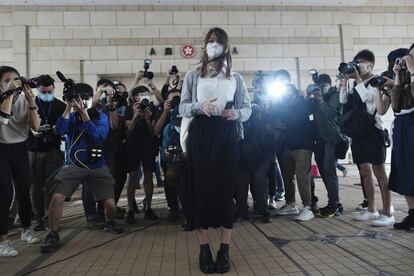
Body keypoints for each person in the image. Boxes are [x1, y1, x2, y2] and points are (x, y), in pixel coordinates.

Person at [179, 27, 251, 274]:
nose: (213, 45)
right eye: (210, 41)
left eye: (218, 42)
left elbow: (247, 109)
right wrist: (200, 106)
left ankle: (224, 248)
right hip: (201, 134)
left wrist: (236, 113)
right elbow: (183, 108)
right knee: (201, 189)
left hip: (227, 133)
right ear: (204, 45)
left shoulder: (236, 77)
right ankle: (203, 248)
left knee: (224, 189)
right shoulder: (193, 75)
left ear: (225, 46)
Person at [41, 83, 123, 253]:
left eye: (84, 99)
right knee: (57, 198)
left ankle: (110, 222)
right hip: (74, 164)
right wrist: (68, 108)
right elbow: (60, 130)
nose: (81, 102)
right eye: (78, 99)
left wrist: (85, 115)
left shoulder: (100, 117)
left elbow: (97, 137)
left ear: (91, 98)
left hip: (96, 165)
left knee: (110, 204)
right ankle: (53, 234)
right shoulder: (71, 117)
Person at [339, 49, 393, 226]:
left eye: (360, 63)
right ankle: (371, 209)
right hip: (358, 133)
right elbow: (342, 101)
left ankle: (387, 212)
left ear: (370, 64)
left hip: (374, 132)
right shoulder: (356, 84)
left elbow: (370, 103)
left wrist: (359, 80)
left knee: (380, 173)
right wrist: (345, 82)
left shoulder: (378, 81)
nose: (357, 66)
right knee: (364, 172)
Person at [0, 66, 41, 257]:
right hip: (1, 149)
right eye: (7, 79)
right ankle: (3, 241)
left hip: (20, 148)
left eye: (16, 79)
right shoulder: (4, 97)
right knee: (5, 193)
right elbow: (4, 119)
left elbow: (35, 127)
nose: (13, 83)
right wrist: (8, 93)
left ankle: (26, 229)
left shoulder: (24, 98)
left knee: (24, 190)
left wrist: (31, 100)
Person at [271, 70, 316, 222]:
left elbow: (296, 118)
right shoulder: (280, 101)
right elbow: (274, 118)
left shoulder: (300, 98)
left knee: (302, 175)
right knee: (287, 176)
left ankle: (308, 207)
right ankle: (291, 203)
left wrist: (304, 96)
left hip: (302, 144)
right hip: (287, 145)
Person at [378, 46, 414, 230]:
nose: (407, 60)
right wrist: (396, 79)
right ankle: (412, 214)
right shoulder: (400, 76)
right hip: (401, 126)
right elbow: (393, 106)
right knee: (404, 169)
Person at [27, 75, 66, 231]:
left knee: (51, 186)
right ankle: (38, 218)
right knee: (35, 187)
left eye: (50, 91)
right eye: (43, 92)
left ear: (54, 89)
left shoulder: (60, 105)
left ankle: (50, 218)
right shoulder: (31, 103)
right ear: (38, 90)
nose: (47, 94)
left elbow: (64, 127)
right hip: (33, 150)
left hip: (54, 150)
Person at [307, 74, 345, 218]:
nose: (320, 89)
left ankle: (335, 204)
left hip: (332, 139)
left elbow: (330, 114)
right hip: (320, 140)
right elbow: (308, 112)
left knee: (330, 171)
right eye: (318, 86)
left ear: (328, 84)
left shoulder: (334, 95)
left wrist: (321, 100)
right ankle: (332, 202)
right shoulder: (316, 99)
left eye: (322, 86)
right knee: (324, 172)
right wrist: (308, 96)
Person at [124, 85, 160, 223]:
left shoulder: (153, 109)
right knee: (132, 177)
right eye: (140, 94)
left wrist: (146, 118)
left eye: (146, 93)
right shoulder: (130, 109)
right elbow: (129, 132)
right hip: (133, 146)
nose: (144, 95)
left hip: (148, 146)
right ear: (135, 98)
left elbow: (154, 133)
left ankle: (148, 207)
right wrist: (135, 116)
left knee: (149, 176)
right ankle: (130, 209)